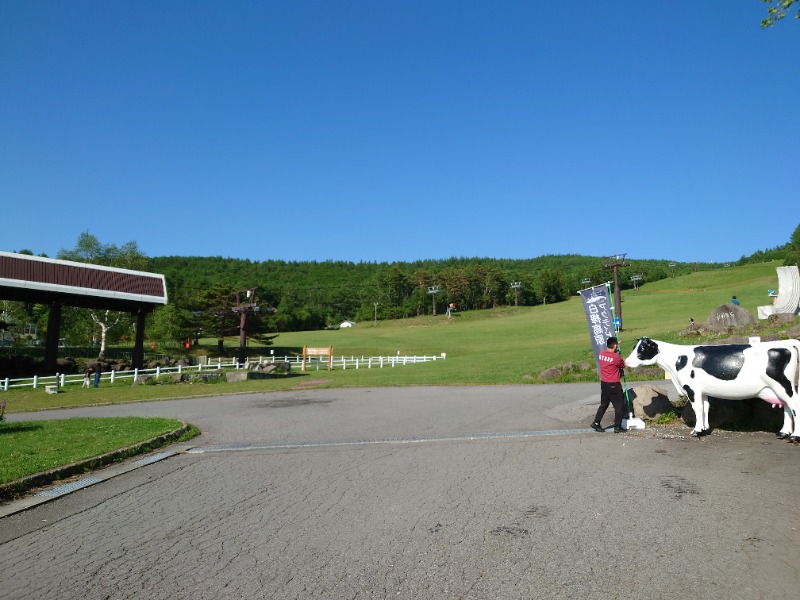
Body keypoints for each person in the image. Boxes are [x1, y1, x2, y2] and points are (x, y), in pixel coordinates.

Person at [591, 336, 626, 433]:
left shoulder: (601, 353)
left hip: (604, 383)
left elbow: (611, 356)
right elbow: (622, 365)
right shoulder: (616, 357)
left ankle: (596, 422)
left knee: (604, 404)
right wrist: (618, 353)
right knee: (619, 406)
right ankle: (617, 426)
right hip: (614, 384)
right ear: (615, 346)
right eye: (616, 345)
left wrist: (616, 347)